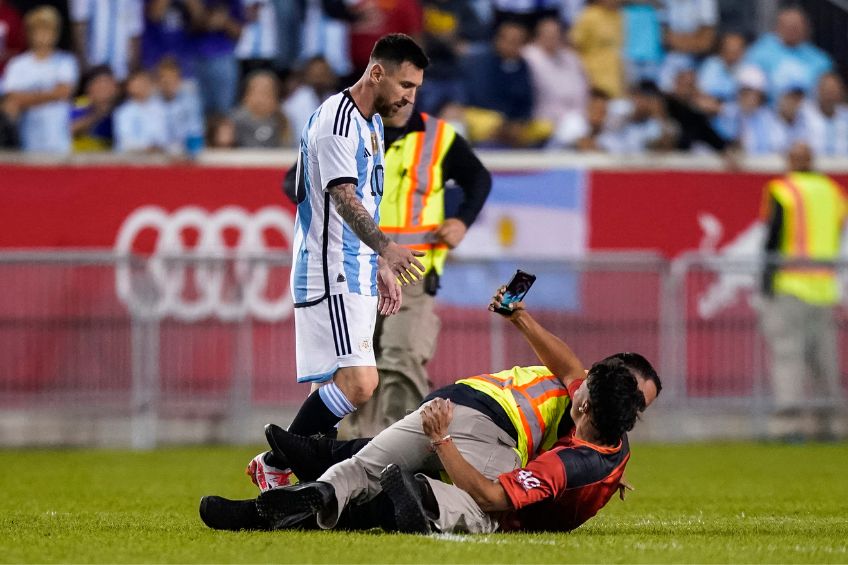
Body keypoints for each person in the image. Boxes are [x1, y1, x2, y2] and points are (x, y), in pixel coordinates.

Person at [200, 289, 661, 533]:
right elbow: (496, 497)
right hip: (486, 429)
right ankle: (421, 497)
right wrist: (443, 442)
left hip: (448, 400)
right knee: (485, 516)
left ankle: (288, 500)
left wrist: (519, 316)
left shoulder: (588, 393)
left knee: (358, 468)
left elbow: (568, 367)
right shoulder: (585, 436)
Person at [281, 34, 429, 470]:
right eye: (406, 85)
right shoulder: (337, 122)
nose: (410, 97)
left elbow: (366, 197)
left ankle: (303, 477)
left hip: (355, 266)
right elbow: (344, 197)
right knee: (361, 383)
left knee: (331, 386)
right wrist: (386, 247)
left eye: (416, 88)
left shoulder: (373, 124)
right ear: (376, 72)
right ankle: (276, 461)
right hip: (331, 268)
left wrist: (378, 260)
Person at [759, 142, 847, 441]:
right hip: (823, 288)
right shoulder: (832, 192)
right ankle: (831, 426)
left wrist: (765, 283)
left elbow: (773, 237)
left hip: (791, 285)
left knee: (788, 358)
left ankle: (789, 427)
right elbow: (836, 231)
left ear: (790, 160)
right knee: (825, 362)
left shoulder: (784, 190)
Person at [1, 5, 78, 154]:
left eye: (48, 30)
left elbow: (63, 92)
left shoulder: (66, 61)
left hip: (58, 140)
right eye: (39, 30)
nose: (44, 35)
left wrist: (27, 97)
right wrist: (51, 94)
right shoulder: (17, 64)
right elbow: (11, 99)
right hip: (27, 140)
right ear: (30, 33)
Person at [744, 7, 832, 101]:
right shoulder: (759, 52)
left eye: (796, 27)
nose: (791, 31)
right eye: (787, 26)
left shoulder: (820, 59)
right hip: (768, 112)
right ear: (777, 27)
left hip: (809, 112)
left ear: (806, 29)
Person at [71, 0, 144, 81]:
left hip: (121, 68)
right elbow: (79, 26)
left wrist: (132, 69)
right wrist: (83, 62)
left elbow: (134, 35)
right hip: (93, 65)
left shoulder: (133, 2)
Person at [570, 0, 624, 98]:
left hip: (615, 81)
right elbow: (574, 46)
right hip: (593, 80)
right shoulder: (588, 16)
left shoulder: (619, 16)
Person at [229, 69, 290, 148]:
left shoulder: (282, 121)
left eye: (267, 92)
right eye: (257, 91)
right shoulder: (235, 120)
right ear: (246, 96)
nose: (261, 98)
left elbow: (287, 149)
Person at [113, 69, 168, 152]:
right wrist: (147, 147)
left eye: (144, 82)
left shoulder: (161, 108)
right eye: (138, 83)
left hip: (159, 157)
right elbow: (125, 142)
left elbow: (165, 136)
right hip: (130, 159)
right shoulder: (123, 112)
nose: (142, 86)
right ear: (129, 86)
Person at [71, 65, 119, 151]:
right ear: (89, 87)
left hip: (111, 160)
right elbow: (66, 131)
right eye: (100, 84)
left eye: (108, 84)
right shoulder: (77, 105)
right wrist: (96, 115)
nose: (104, 89)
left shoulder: (122, 110)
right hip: (78, 159)